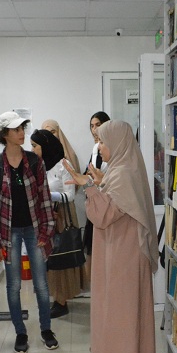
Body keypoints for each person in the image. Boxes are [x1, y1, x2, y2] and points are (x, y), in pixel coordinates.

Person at [63, 120, 158, 353]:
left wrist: (89, 187)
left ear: (117, 143)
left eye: (103, 141)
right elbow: (118, 204)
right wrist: (98, 182)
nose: (99, 146)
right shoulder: (123, 169)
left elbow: (103, 216)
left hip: (121, 257)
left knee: (118, 319)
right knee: (129, 316)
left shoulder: (122, 173)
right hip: (124, 253)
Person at [0, 112, 58, 353]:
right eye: (16, 129)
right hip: (8, 232)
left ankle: (46, 329)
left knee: (41, 284)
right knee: (13, 284)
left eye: (22, 128)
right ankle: (20, 332)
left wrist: (46, 231)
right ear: (4, 134)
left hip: (34, 228)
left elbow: (45, 198)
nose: (21, 133)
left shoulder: (34, 162)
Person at [30, 129, 81, 318]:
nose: (32, 150)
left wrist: (47, 195)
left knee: (60, 258)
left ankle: (62, 301)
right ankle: (55, 297)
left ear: (46, 146)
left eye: (35, 146)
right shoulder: (40, 165)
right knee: (48, 260)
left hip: (61, 218)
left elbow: (70, 195)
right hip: (45, 217)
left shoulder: (63, 165)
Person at [79, 111, 111, 297]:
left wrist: (98, 178)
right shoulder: (94, 149)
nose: (94, 129)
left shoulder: (112, 148)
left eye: (98, 125)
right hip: (96, 203)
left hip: (108, 204)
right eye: (91, 126)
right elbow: (89, 172)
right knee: (94, 248)